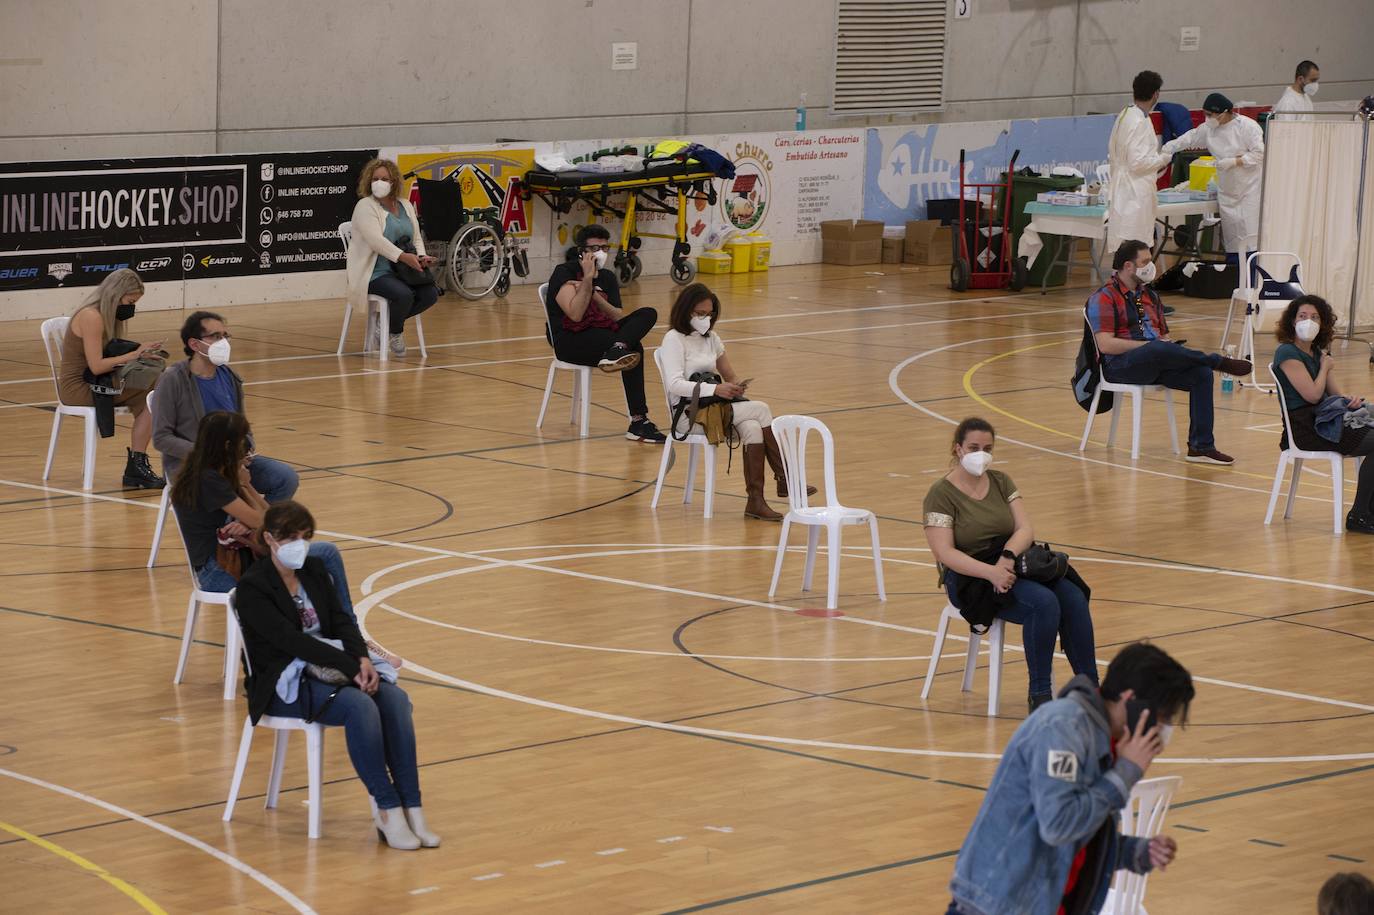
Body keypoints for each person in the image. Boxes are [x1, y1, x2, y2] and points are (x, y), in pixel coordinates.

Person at [234, 500, 437, 850]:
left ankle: (412, 806)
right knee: (361, 708)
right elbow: (291, 641)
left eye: (305, 536)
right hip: (287, 681)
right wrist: (352, 666)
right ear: (269, 539)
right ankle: (386, 808)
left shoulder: (314, 570)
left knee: (396, 700)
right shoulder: (254, 587)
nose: (299, 544)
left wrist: (362, 658)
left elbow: (343, 620)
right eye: (291, 537)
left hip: (337, 666)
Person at [945, 641, 1194, 915]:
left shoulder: (1108, 742)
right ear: (1130, 700)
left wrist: (1137, 852)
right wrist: (1124, 775)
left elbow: (1081, 837)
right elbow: (1059, 824)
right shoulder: (1063, 729)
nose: (1163, 728)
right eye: (1162, 717)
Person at [923, 417, 1098, 712]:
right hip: (970, 576)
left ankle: (1090, 690)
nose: (981, 454)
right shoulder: (940, 494)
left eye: (987, 448)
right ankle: (1040, 694)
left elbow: (1025, 529)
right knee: (1043, 603)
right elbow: (945, 553)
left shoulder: (1002, 481)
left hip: (1010, 562)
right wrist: (990, 573)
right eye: (974, 447)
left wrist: (1006, 559)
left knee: (1073, 596)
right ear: (957, 449)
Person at [170, 411, 354, 617]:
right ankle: (349, 626)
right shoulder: (208, 480)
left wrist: (246, 485)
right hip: (217, 570)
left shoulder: (212, 470)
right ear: (227, 446)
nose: (247, 447)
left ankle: (336, 626)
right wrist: (245, 488)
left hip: (234, 557)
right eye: (242, 441)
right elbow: (264, 521)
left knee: (316, 562)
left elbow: (267, 514)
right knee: (326, 554)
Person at [658, 283, 815, 521]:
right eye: (700, 313)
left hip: (716, 408)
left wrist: (736, 386)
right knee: (761, 409)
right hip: (689, 415)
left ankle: (756, 501)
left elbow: (730, 375)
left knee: (753, 427)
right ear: (685, 310)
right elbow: (675, 385)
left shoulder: (712, 338)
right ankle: (786, 479)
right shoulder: (673, 339)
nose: (705, 319)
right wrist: (716, 388)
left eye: (709, 314)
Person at [1088, 240, 1252, 465]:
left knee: (1201, 373)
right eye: (1145, 262)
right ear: (1128, 266)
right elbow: (1105, 345)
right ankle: (1217, 361)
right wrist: (1152, 347)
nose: (1150, 266)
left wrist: (1166, 346)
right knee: (1157, 347)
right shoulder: (1104, 297)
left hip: (1156, 360)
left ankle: (1200, 447)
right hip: (1120, 366)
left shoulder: (1150, 296)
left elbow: (1162, 336)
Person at [152, 310, 298, 502]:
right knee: (225, 488)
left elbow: (243, 426)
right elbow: (162, 439)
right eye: (215, 336)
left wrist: (244, 449)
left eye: (225, 336)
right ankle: (240, 524)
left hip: (232, 462)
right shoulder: (173, 379)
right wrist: (210, 456)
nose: (223, 342)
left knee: (286, 478)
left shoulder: (229, 377)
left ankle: (248, 528)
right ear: (194, 344)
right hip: (193, 465)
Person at [545, 224, 665, 443]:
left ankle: (616, 350)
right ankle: (639, 421)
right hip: (570, 341)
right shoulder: (565, 272)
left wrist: (594, 294)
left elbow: (617, 316)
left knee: (648, 314)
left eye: (604, 247)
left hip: (602, 334)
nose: (599, 252)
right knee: (634, 347)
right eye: (594, 248)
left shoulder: (608, 277)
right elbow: (575, 315)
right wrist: (588, 279)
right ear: (582, 251)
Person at [1271, 295, 1374, 533]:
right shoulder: (1287, 353)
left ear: (1323, 323)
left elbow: (1335, 395)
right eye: (1303, 316)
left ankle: (1368, 511)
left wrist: (1351, 401)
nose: (1309, 321)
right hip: (1307, 427)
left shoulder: (1317, 353)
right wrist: (1326, 368)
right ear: (1292, 321)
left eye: (1315, 317)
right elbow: (1313, 396)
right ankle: (1359, 515)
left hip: (1328, 419)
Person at [56, 268, 165, 489]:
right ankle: (137, 462)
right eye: (129, 300)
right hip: (80, 387)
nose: (130, 307)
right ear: (116, 294)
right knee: (157, 388)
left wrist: (139, 355)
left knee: (153, 391)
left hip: (95, 381)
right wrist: (134, 354)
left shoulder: (104, 315)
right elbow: (96, 366)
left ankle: (137, 464)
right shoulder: (92, 316)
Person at [345, 157, 437, 357]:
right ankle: (395, 332)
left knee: (430, 293)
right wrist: (404, 257)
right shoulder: (365, 206)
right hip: (373, 273)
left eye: (384, 179)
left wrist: (421, 256)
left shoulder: (405, 205)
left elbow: (416, 237)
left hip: (401, 271)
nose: (379, 183)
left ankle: (385, 325)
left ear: (393, 182)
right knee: (403, 295)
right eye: (375, 179)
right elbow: (376, 241)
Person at [1162, 93, 1265, 265]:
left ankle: (1253, 277)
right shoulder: (1208, 129)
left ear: (1224, 112)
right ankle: (1234, 276)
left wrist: (1236, 161)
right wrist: (1168, 148)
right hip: (1227, 190)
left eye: (1210, 114)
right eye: (1206, 114)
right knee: (1232, 237)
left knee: (1250, 234)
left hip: (1249, 190)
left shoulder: (1247, 126)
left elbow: (1260, 154)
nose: (1208, 118)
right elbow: (1190, 138)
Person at [1106, 71, 1171, 259]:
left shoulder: (1126, 114)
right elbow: (1137, 163)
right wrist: (1164, 158)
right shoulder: (1138, 121)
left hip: (1126, 188)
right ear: (1156, 94)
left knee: (1127, 244)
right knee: (1136, 247)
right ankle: (1134, 286)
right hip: (1135, 190)